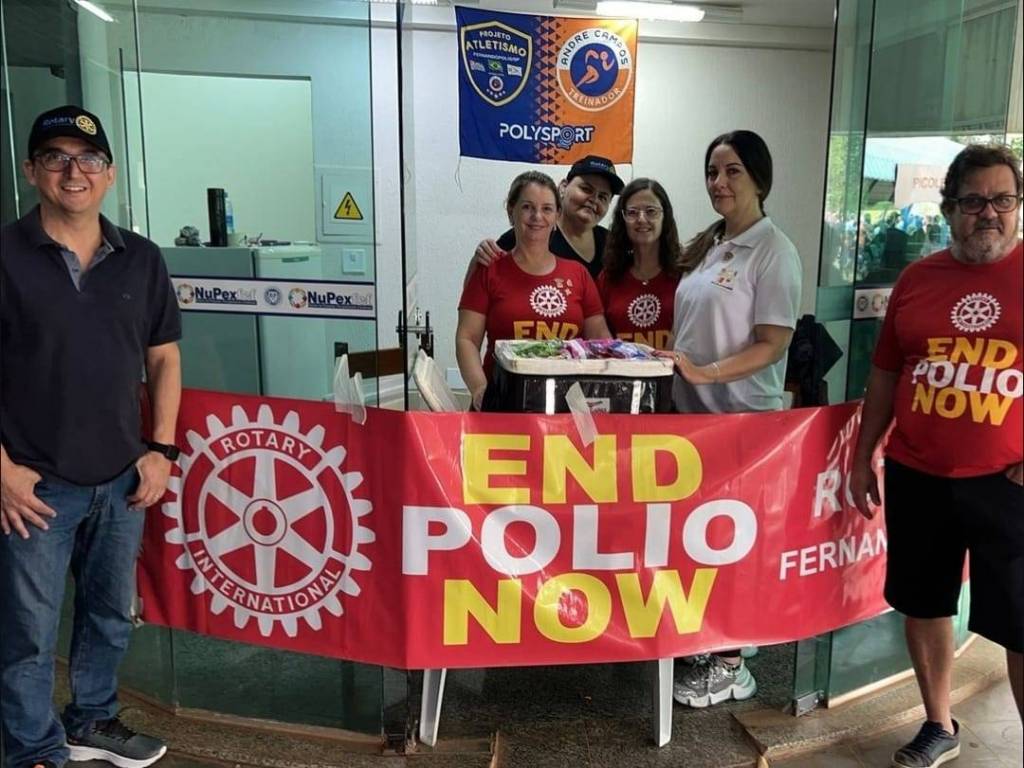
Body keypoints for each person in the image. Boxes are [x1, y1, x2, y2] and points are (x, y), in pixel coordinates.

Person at [0, 106, 182, 768]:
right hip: (33, 485)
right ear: (32, 171)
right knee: (27, 631)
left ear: (109, 175)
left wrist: (160, 451)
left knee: (108, 616)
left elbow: (164, 358)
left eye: (88, 160)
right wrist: (1, 470)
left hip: (121, 479)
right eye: (56, 157)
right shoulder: (5, 256)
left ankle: (91, 721)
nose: (73, 172)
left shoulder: (141, 259)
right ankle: (32, 749)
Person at [850, 143, 1023, 768]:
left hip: (1008, 483)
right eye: (973, 201)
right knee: (924, 603)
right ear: (949, 210)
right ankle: (938, 723)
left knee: (1020, 623)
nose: (989, 213)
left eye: (1002, 199)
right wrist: (863, 454)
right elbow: (885, 374)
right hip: (917, 473)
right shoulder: (917, 280)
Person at [664, 130, 802, 707]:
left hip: (743, 422)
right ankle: (711, 641)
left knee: (734, 546)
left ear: (759, 179)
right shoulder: (712, 244)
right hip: (695, 422)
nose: (718, 182)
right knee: (702, 543)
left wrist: (708, 373)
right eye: (712, 172)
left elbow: (773, 342)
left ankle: (732, 666)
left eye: (732, 171)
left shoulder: (774, 251)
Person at [457, 171, 610, 410]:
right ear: (511, 211)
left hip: (568, 406)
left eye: (547, 209)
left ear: (557, 215)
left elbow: (600, 338)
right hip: (503, 402)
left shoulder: (578, 274)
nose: (537, 216)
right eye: (527, 207)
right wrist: (479, 389)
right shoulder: (489, 269)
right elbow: (467, 338)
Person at [467, 154, 625, 282]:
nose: (594, 200)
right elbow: (478, 290)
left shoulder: (612, 243)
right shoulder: (531, 233)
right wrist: (478, 260)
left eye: (603, 197)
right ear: (563, 187)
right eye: (586, 189)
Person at [597, 178, 682, 350]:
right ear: (623, 220)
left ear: (665, 216)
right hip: (621, 367)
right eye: (632, 212)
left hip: (674, 367)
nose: (641, 219)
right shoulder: (608, 278)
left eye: (651, 211)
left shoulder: (684, 273)